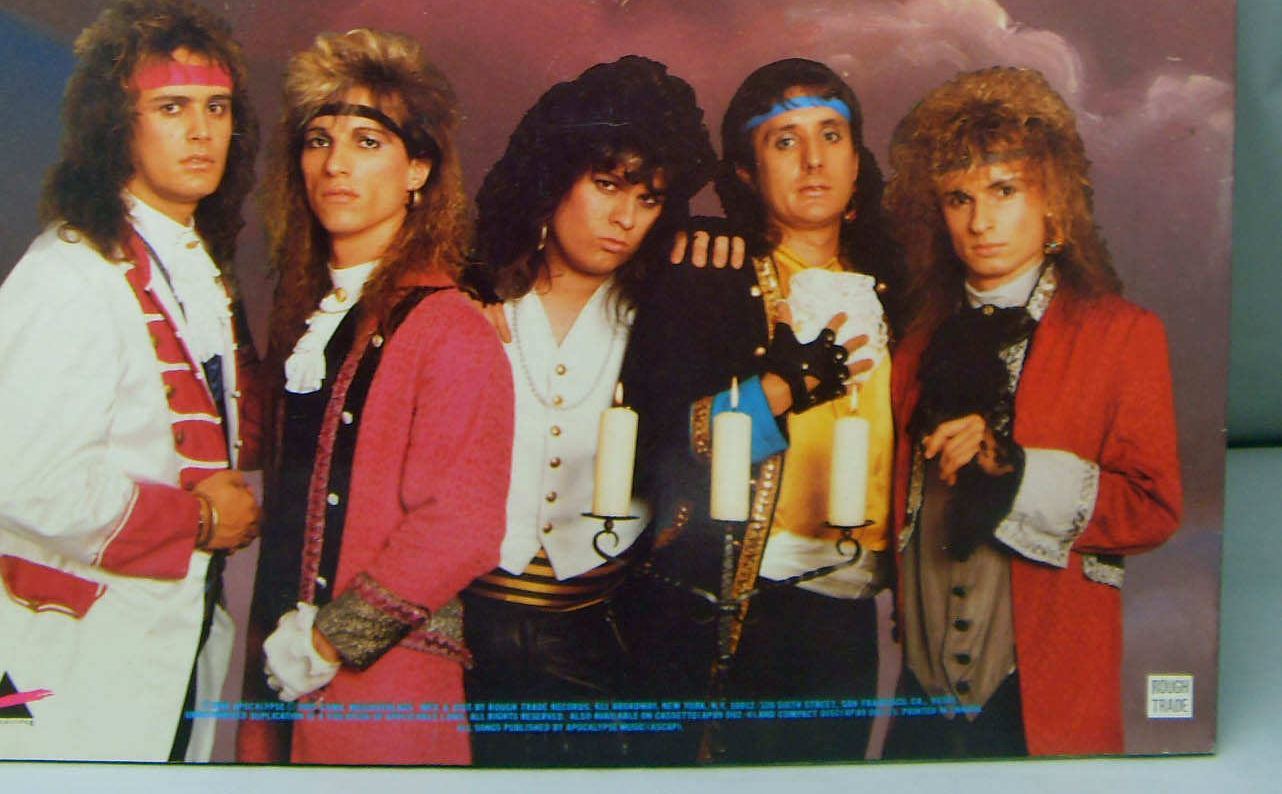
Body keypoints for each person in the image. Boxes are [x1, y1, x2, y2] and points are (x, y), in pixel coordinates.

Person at [0, 0, 262, 762]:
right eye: (171, 108)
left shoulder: (190, 265)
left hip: (170, 638)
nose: (201, 132)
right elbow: (28, 484)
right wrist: (197, 522)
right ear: (115, 124)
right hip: (74, 658)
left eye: (217, 108)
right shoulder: (68, 276)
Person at [883, 66, 1181, 758]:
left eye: (1004, 190)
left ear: (1054, 200)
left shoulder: (1122, 334)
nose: (980, 221)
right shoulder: (914, 348)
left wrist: (1014, 471)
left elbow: (1154, 507)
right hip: (920, 702)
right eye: (959, 198)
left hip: (1046, 696)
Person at [237, 29, 514, 766]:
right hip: (278, 687)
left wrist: (330, 642)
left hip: (384, 692)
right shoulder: (308, 320)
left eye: (367, 142)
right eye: (318, 140)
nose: (336, 164)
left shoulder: (451, 326)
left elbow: (461, 526)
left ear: (418, 168)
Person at [621, 59, 900, 764]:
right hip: (735, 599)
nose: (813, 160)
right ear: (746, 172)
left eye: (831, 135)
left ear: (857, 160)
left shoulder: (903, 292)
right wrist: (779, 389)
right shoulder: (710, 275)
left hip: (851, 609)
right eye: (784, 141)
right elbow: (654, 450)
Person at [462, 56, 716, 766]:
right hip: (463, 632)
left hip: (598, 637)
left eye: (648, 199)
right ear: (555, 179)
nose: (625, 219)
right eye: (607, 185)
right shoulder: (475, 304)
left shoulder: (662, 324)